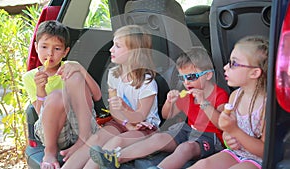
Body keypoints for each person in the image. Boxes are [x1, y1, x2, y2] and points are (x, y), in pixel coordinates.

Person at [90, 47, 229, 169]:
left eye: (192, 77)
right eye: (182, 78)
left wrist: (204, 103)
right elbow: (167, 115)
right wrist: (170, 102)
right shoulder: (187, 95)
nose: (186, 83)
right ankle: (116, 157)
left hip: (211, 137)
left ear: (208, 75)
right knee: (159, 138)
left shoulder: (219, 95)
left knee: (186, 148)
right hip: (187, 130)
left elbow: (222, 124)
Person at [61, 24, 160, 169]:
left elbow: (140, 116)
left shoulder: (147, 83)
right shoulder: (113, 75)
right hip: (122, 122)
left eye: (118, 46)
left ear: (134, 52)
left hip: (144, 127)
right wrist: (126, 123)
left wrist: (129, 119)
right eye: (113, 44)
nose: (111, 49)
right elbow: (113, 110)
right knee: (96, 139)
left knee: (115, 143)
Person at [22, 20, 101, 169]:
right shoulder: (30, 77)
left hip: (81, 126)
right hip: (54, 133)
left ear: (65, 52)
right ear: (36, 47)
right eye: (44, 47)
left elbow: (96, 96)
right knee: (57, 96)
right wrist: (40, 89)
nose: (50, 53)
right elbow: (40, 113)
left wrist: (80, 68)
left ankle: (84, 141)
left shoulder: (70, 67)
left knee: (76, 76)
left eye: (57, 48)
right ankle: (50, 151)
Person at [189, 36, 268, 169]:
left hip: (257, 160)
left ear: (254, 73)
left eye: (234, 64)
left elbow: (265, 151)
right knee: (203, 165)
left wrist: (234, 131)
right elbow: (227, 134)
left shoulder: (266, 106)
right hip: (235, 153)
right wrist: (228, 138)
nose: (225, 67)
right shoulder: (234, 97)